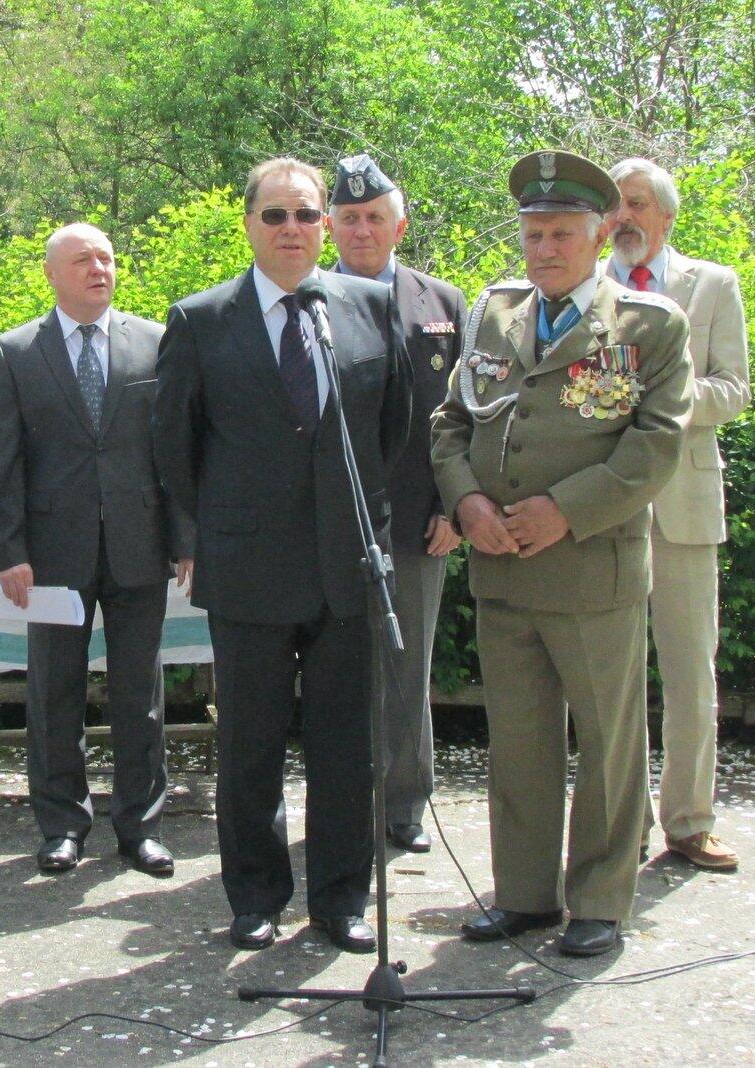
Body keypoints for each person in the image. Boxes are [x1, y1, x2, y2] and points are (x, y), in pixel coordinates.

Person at [432, 150, 692, 957]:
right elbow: (451, 422)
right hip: (503, 565)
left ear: (600, 234)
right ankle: (525, 894)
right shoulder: (497, 313)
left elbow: (655, 447)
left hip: (589, 571)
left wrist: (564, 512)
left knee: (609, 745)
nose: (543, 249)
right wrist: (467, 502)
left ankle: (601, 901)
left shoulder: (649, 325)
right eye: (533, 234)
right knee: (519, 742)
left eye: (560, 234)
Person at [154, 156, 411, 952]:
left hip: (348, 565)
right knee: (251, 749)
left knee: (347, 748)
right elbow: (174, 449)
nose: (292, 228)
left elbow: (394, 425)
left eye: (306, 214)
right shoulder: (201, 319)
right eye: (275, 215)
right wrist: (217, 529)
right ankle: (256, 897)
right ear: (248, 226)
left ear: (325, 224)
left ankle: (341, 900)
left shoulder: (369, 306)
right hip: (248, 568)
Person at [0, 224, 180, 877]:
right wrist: (8, 550)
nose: (99, 269)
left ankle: (140, 826)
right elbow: (1, 462)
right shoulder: (17, 352)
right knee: (54, 693)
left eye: (106, 258)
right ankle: (62, 825)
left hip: (139, 546)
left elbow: (175, 452)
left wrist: (184, 539)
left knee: (140, 695)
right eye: (83, 260)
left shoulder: (154, 342)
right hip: (51, 554)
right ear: (51, 273)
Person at [606, 156, 751, 872]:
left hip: (685, 506)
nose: (624, 217)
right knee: (613, 678)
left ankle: (690, 821)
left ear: (666, 215)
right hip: (604, 504)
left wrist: (663, 402)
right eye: (615, 204)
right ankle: (620, 826)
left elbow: (735, 389)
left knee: (691, 671)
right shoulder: (586, 286)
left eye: (637, 203)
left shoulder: (712, 284)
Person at [327, 153, 466, 854]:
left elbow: (466, 417)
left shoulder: (443, 303)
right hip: (328, 520)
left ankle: (405, 803)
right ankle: (343, 806)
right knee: (337, 670)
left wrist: (455, 507)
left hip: (417, 519)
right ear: (329, 227)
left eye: (375, 217)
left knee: (407, 666)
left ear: (400, 225)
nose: (362, 229)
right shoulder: (306, 298)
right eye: (349, 218)